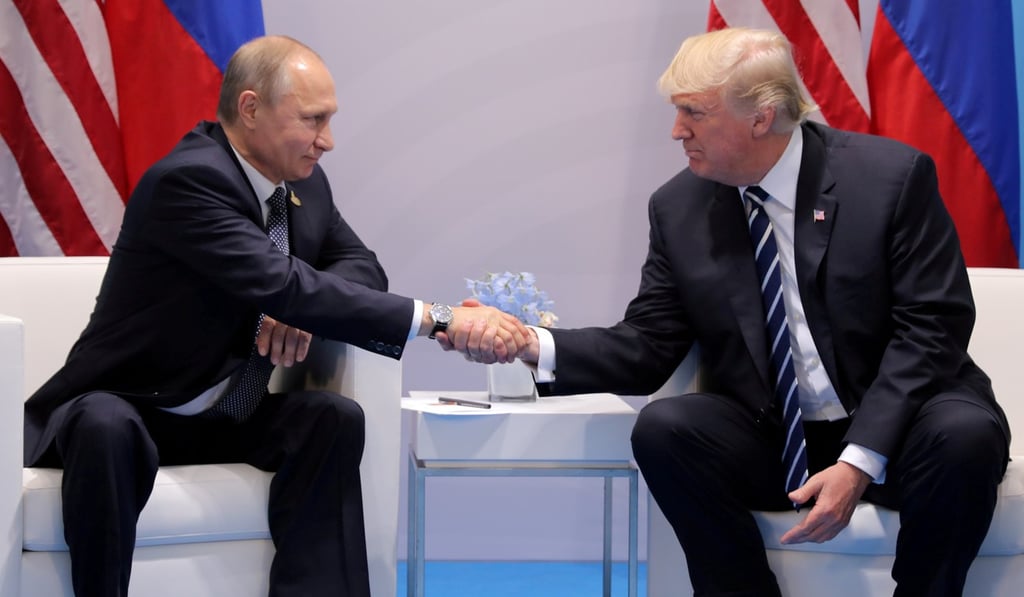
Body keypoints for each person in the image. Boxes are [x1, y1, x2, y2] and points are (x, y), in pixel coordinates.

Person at [448, 27, 1010, 596]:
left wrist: (859, 460)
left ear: (761, 118)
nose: (677, 130)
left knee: (964, 434)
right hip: (775, 434)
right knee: (667, 430)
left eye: (693, 112)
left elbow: (932, 326)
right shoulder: (679, 207)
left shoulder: (889, 179)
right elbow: (647, 345)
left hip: (901, 423)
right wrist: (529, 344)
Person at [23, 35, 527, 597]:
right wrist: (438, 317)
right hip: (133, 406)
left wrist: (301, 310)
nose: (327, 141)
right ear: (250, 108)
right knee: (105, 424)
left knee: (331, 418)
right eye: (313, 120)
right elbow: (280, 283)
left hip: (223, 415)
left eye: (329, 120)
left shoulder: (302, 185)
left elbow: (362, 266)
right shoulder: (188, 180)